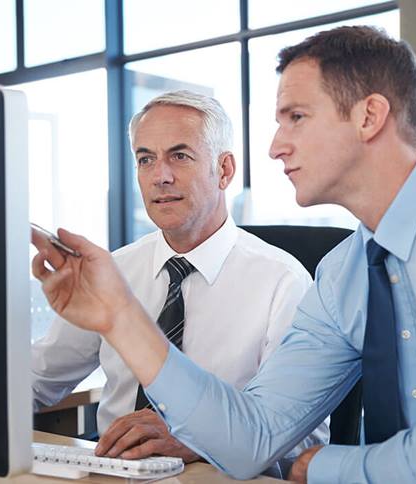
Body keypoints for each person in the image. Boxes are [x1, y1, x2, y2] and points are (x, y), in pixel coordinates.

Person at [31, 27, 416, 483]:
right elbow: (250, 440)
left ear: (369, 117)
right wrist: (120, 317)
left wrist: (322, 465)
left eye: (295, 117)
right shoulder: (347, 271)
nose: (275, 146)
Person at [31, 90, 328, 476]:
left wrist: (204, 435)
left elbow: (304, 440)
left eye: (180, 156)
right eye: (145, 159)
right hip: (114, 472)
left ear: (224, 170)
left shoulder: (282, 282)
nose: (160, 176)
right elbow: (38, 378)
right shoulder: (114, 270)